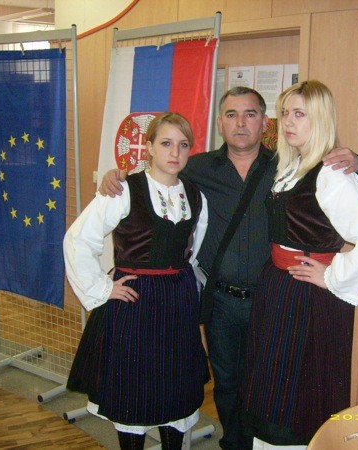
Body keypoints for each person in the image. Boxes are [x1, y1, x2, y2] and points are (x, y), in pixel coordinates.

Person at [100, 86, 358, 450]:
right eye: (232, 115)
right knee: (227, 382)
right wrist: (118, 175)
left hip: (271, 299)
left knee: (268, 380)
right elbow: (158, 175)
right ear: (220, 122)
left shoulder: (287, 166)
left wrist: (356, 160)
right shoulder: (198, 167)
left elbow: (329, 176)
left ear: (264, 122)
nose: (240, 123)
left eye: (250, 114)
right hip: (220, 300)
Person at [241, 80, 358, 449]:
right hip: (280, 287)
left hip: (306, 297)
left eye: (300, 114)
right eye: (286, 113)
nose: (288, 122)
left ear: (320, 119)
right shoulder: (292, 165)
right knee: (274, 383)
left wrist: (332, 275)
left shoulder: (330, 174)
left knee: (299, 391)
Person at [64, 112, 209, 450]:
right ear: (149, 147)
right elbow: (78, 240)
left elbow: (194, 245)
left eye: (183, 145)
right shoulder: (123, 190)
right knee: (135, 387)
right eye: (166, 143)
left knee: (175, 384)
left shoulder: (195, 195)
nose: (174, 152)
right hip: (135, 299)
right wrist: (102, 288)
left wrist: (184, 279)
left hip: (177, 301)